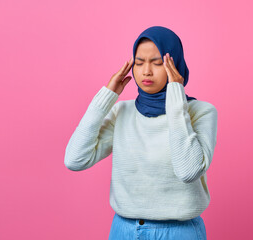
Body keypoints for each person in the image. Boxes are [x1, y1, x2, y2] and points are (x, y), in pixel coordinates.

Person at [64, 26, 218, 240]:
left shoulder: (201, 112)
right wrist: (106, 97)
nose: (146, 71)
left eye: (157, 63)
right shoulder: (121, 112)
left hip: (179, 232)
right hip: (124, 230)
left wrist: (175, 96)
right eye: (138, 63)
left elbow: (188, 171)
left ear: (176, 65)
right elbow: (75, 160)